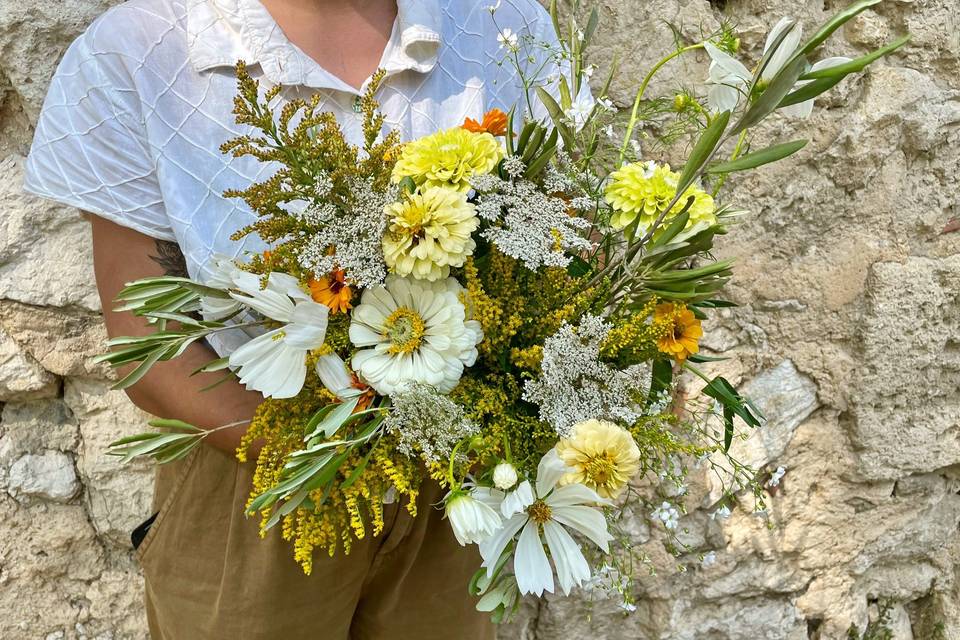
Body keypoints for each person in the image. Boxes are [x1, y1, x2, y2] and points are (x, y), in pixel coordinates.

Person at [23, 0, 582, 638]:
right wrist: (330, 456)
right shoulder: (141, 51)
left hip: (460, 482)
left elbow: (561, 243)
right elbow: (147, 346)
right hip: (253, 474)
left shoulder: (502, 24)